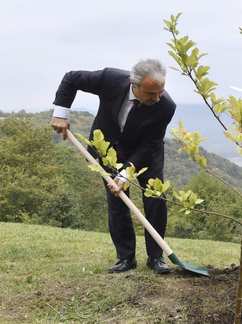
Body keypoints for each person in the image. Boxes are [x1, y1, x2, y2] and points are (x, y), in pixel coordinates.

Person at [50, 59, 176, 275]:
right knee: (117, 198)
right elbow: (71, 79)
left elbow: (150, 144)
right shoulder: (109, 79)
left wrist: (128, 172)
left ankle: (156, 258)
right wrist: (60, 113)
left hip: (147, 152)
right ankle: (126, 258)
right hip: (110, 148)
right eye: (150, 94)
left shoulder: (165, 106)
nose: (157, 98)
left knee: (155, 199)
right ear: (133, 84)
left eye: (160, 92)